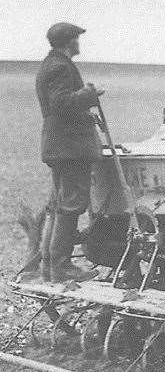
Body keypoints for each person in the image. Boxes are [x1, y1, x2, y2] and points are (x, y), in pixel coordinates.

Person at [35, 22, 104, 282]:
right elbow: (61, 103)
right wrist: (88, 94)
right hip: (70, 148)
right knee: (71, 205)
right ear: (68, 41)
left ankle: (50, 266)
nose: (79, 42)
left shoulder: (51, 64)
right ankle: (62, 267)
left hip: (61, 146)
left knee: (60, 206)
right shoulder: (60, 67)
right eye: (76, 38)